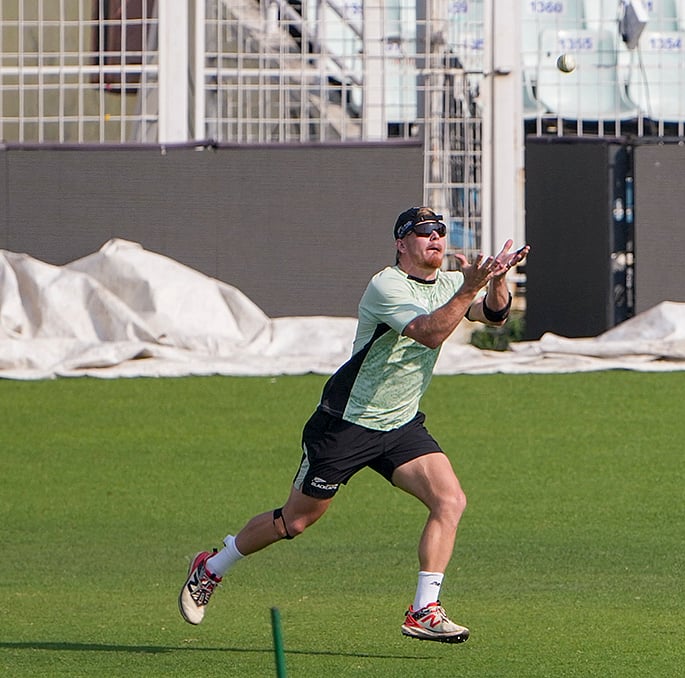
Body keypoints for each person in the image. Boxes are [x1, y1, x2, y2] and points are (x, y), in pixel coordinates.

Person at [178, 207, 529, 644]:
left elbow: (494, 317)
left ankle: (424, 609)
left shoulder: (450, 282)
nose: (435, 238)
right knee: (295, 522)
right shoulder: (386, 285)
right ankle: (211, 567)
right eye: (423, 233)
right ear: (402, 245)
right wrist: (470, 287)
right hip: (345, 425)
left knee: (450, 500)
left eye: (439, 231)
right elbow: (430, 332)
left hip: (400, 424)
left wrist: (495, 280)